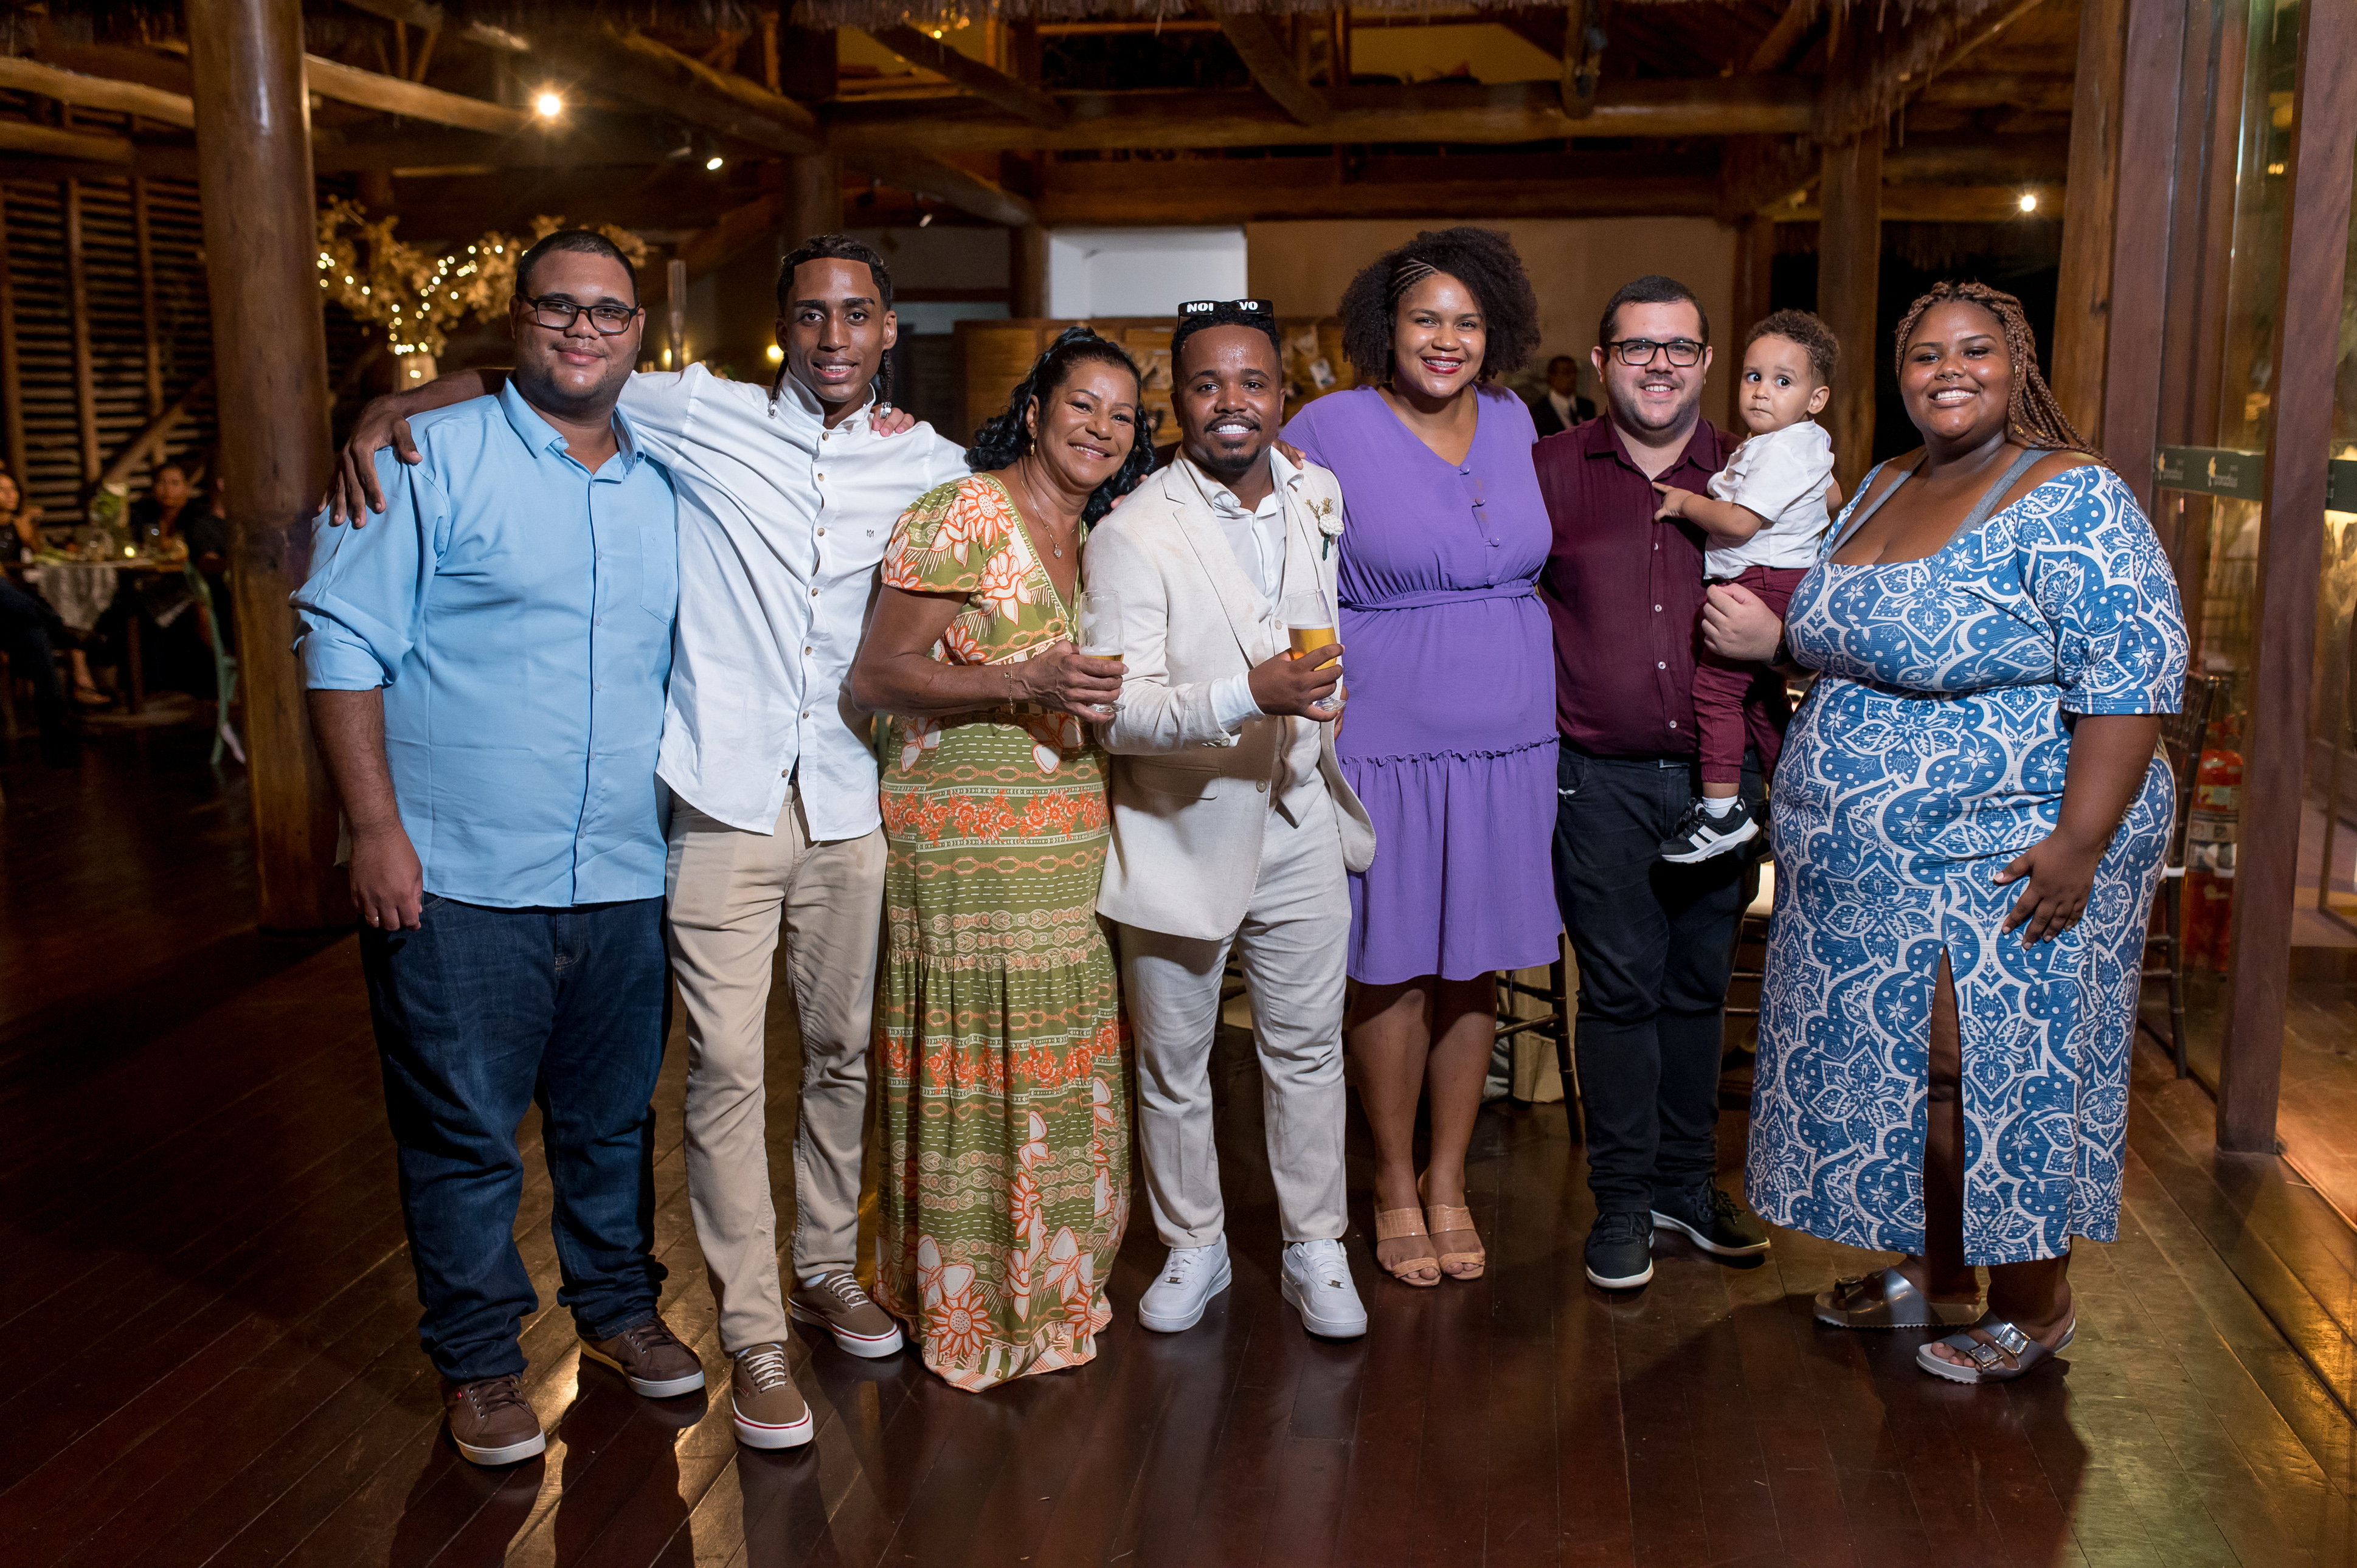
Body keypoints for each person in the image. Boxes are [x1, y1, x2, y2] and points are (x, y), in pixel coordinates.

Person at [334, 233, 958, 1451]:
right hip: (718, 798)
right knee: (720, 1067)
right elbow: (552, 370)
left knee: (836, 1053)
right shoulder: (699, 412)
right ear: (782, 327)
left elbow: (1025, 510)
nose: (834, 336)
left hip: (846, 799)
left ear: (890, 329)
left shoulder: (931, 464)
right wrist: (399, 401)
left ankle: (821, 1267)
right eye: (811, 313)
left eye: (858, 314)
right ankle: (751, 1332)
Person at [1707, 281, 2188, 1383]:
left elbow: (2132, 672)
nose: (1949, 371)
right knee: (1906, 1072)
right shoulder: (1884, 480)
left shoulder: (2071, 493)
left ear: (2018, 365)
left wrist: (2079, 843)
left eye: (1976, 350)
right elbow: (1850, 633)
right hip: (1875, 863)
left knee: (1985, 1066)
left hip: (2011, 843)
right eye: (1925, 355)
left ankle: (2036, 1300)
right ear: (1899, 375)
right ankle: (1938, 1272)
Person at [294, 231, 704, 1468]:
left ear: (639, 333)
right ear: (518, 318)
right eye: (558, 307)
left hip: (626, 864)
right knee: (463, 1134)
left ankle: (618, 1310)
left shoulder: (673, 468)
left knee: (611, 1119)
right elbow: (341, 639)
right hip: (457, 869)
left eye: (608, 312)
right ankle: (477, 1361)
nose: (584, 329)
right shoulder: (423, 456)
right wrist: (375, 828)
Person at [846, 326, 1143, 1390]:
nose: (1100, 427)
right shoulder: (963, 513)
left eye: (1122, 415)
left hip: (1066, 836)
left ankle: (1053, 1288)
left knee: (1057, 1051)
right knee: (975, 1059)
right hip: (962, 839)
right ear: (1034, 411)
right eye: (1082, 405)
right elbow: (877, 673)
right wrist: (1023, 680)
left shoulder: (1102, 533)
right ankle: (963, 1302)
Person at [1084, 299, 1376, 1339]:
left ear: (1282, 394)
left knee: (1308, 1049)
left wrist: (1315, 701)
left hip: (1299, 813)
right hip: (1179, 826)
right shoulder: (1130, 532)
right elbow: (1118, 713)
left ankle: (1315, 1245)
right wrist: (1248, 694)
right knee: (1174, 1061)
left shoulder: (1317, 493)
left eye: (1252, 381)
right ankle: (1193, 1242)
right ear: (1178, 401)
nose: (1232, 402)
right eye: (1207, 384)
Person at [1281, 228, 1560, 1287]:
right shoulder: (1325, 426)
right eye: (1425, 319)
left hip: (1512, 737)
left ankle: (1450, 1180)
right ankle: (1393, 1181)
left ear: (1495, 333)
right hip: (1386, 736)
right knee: (1392, 964)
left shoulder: (1516, 417)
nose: (1447, 340)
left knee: (1475, 962)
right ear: (1385, 329)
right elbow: (1269, 555)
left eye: (1467, 322)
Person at [1534, 274, 1773, 1292]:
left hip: (1726, 777)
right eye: (1638, 346)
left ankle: (1686, 1183)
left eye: (1679, 346)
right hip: (1598, 780)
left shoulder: (1760, 470)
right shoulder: (1547, 470)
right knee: (1621, 993)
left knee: (1698, 989)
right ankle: (1623, 1198)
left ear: (1707, 361)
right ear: (1603, 362)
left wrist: (1783, 634)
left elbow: (1827, 596)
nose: (1660, 364)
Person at [1649, 309, 1841, 863]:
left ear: (1816, 398)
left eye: (1783, 381)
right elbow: (1833, 498)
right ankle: (1792, 804)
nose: (1761, 391)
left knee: (1715, 692)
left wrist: (1686, 503)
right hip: (1785, 576)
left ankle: (1720, 813)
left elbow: (1738, 523)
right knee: (1760, 700)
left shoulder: (1780, 449)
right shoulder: (1804, 443)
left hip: (1761, 579)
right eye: (1753, 376)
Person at [1527, 354, 1594, 438]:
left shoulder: (1587, 407)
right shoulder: (1538, 412)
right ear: (1552, 377)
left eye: (1575, 372)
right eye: (1566, 373)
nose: (1572, 377)